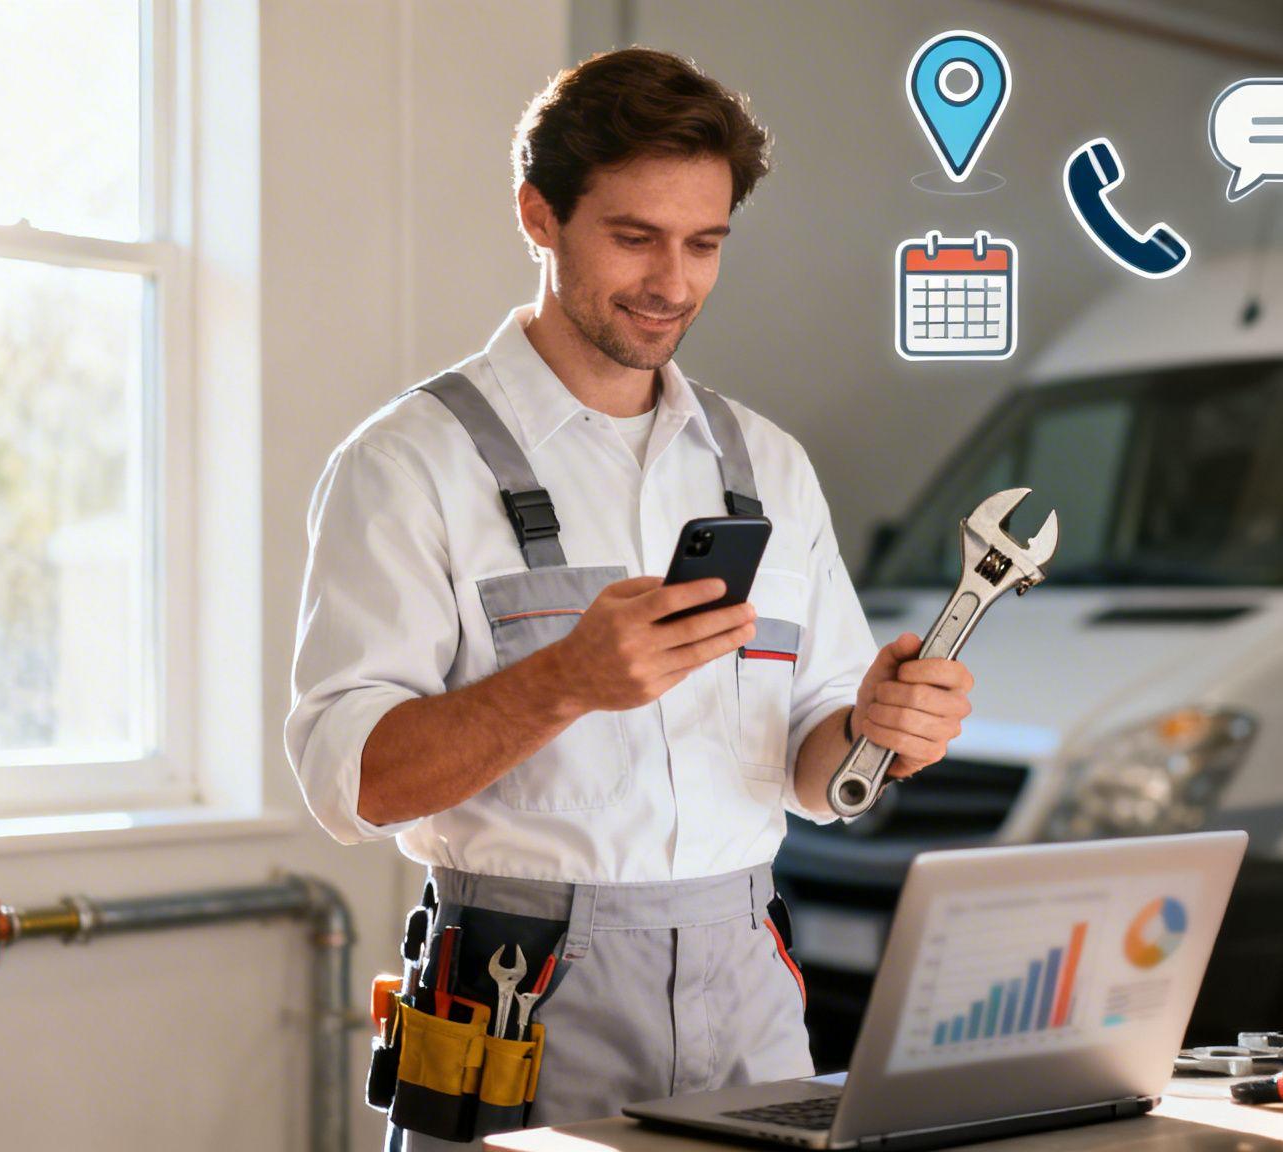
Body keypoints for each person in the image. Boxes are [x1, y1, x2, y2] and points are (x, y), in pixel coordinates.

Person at [285, 47, 974, 1149]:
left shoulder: (767, 464)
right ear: (538, 216)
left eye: (704, 244)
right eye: (634, 236)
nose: (673, 282)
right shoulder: (407, 463)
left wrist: (877, 730)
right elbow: (352, 781)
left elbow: (812, 761)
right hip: (517, 989)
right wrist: (560, 682)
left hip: (749, 976)